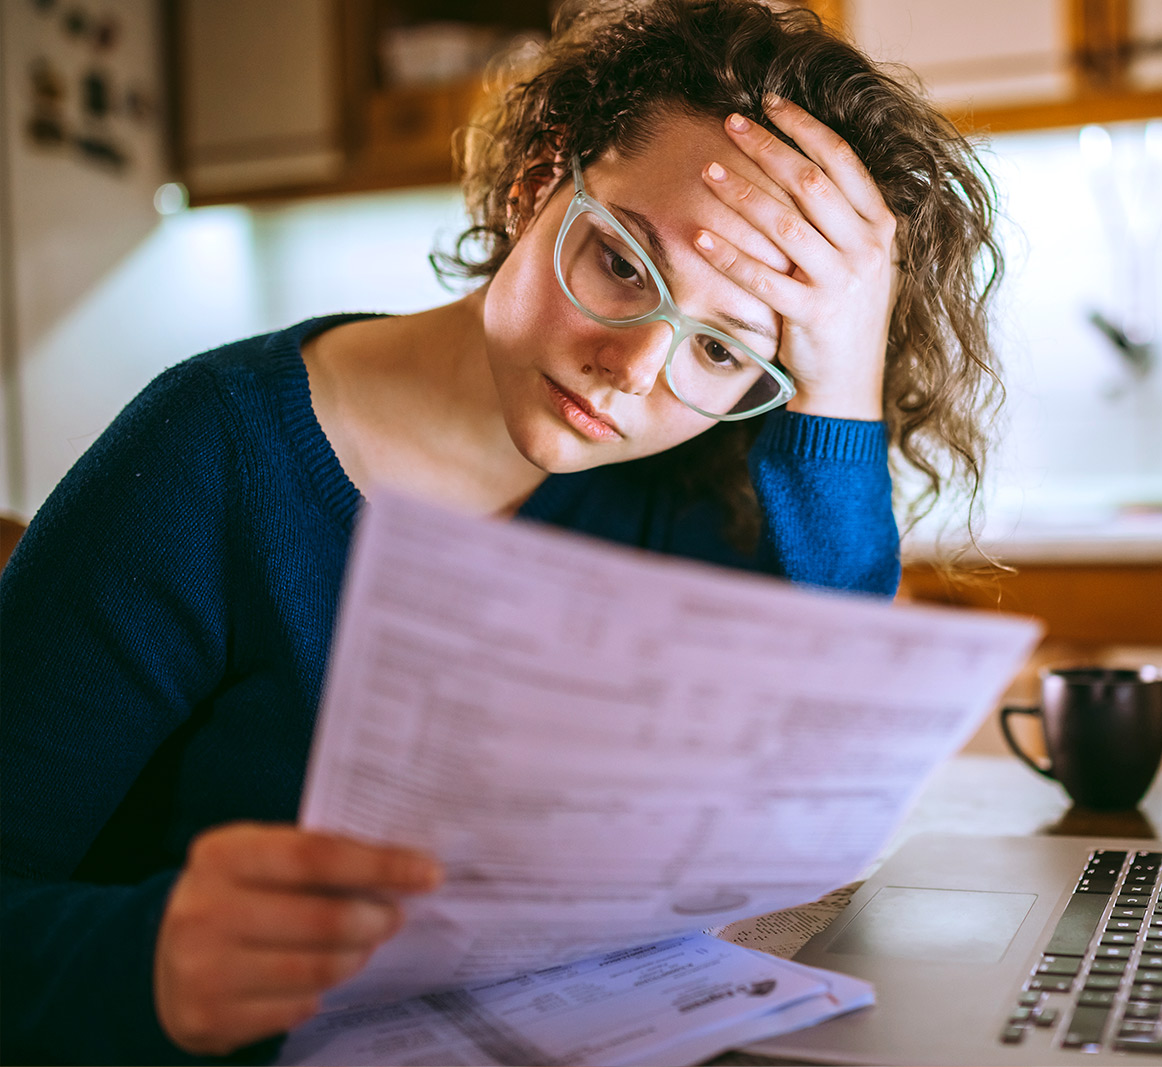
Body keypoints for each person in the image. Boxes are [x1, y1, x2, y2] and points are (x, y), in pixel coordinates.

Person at [0, 0, 1004, 1061]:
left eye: (720, 351)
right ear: (537, 182)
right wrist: (149, 956)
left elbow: (816, 786)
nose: (630, 370)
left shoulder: (689, 484)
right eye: (621, 262)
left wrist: (839, 386)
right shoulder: (212, 451)